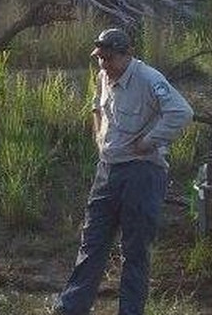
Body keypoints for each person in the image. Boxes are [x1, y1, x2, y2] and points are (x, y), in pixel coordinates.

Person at [54, 28, 194, 315]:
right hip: (107, 171)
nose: (103, 64)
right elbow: (96, 107)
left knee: (135, 252)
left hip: (142, 173)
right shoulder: (103, 76)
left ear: (126, 55)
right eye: (100, 58)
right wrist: (97, 136)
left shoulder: (148, 78)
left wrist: (149, 141)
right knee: (91, 244)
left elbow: (181, 112)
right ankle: (70, 309)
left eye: (108, 58)